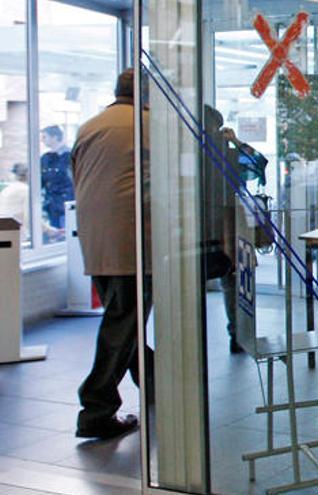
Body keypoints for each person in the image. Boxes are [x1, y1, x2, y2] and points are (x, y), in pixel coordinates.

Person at [71, 69, 149, 439]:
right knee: (123, 324)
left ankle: (156, 382)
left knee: (123, 319)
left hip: (96, 241)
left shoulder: (91, 125)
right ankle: (96, 407)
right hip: (131, 243)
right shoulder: (146, 125)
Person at [203, 105, 268, 353]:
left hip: (215, 223)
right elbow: (258, 163)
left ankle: (238, 333)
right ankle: (239, 333)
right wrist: (236, 142)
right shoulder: (226, 152)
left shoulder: (203, 151)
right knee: (233, 280)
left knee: (229, 278)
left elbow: (258, 163)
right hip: (228, 223)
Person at [40, 125, 74, 230]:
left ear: (54, 137)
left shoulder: (69, 156)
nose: (42, 140)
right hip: (51, 205)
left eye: (44, 137)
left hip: (67, 203)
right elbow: (42, 181)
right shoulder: (45, 158)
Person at [0, 163, 30, 240]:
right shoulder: (25, 190)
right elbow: (30, 218)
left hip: (4, 232)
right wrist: (50, 231)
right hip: (16, 234)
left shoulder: (7, 189)